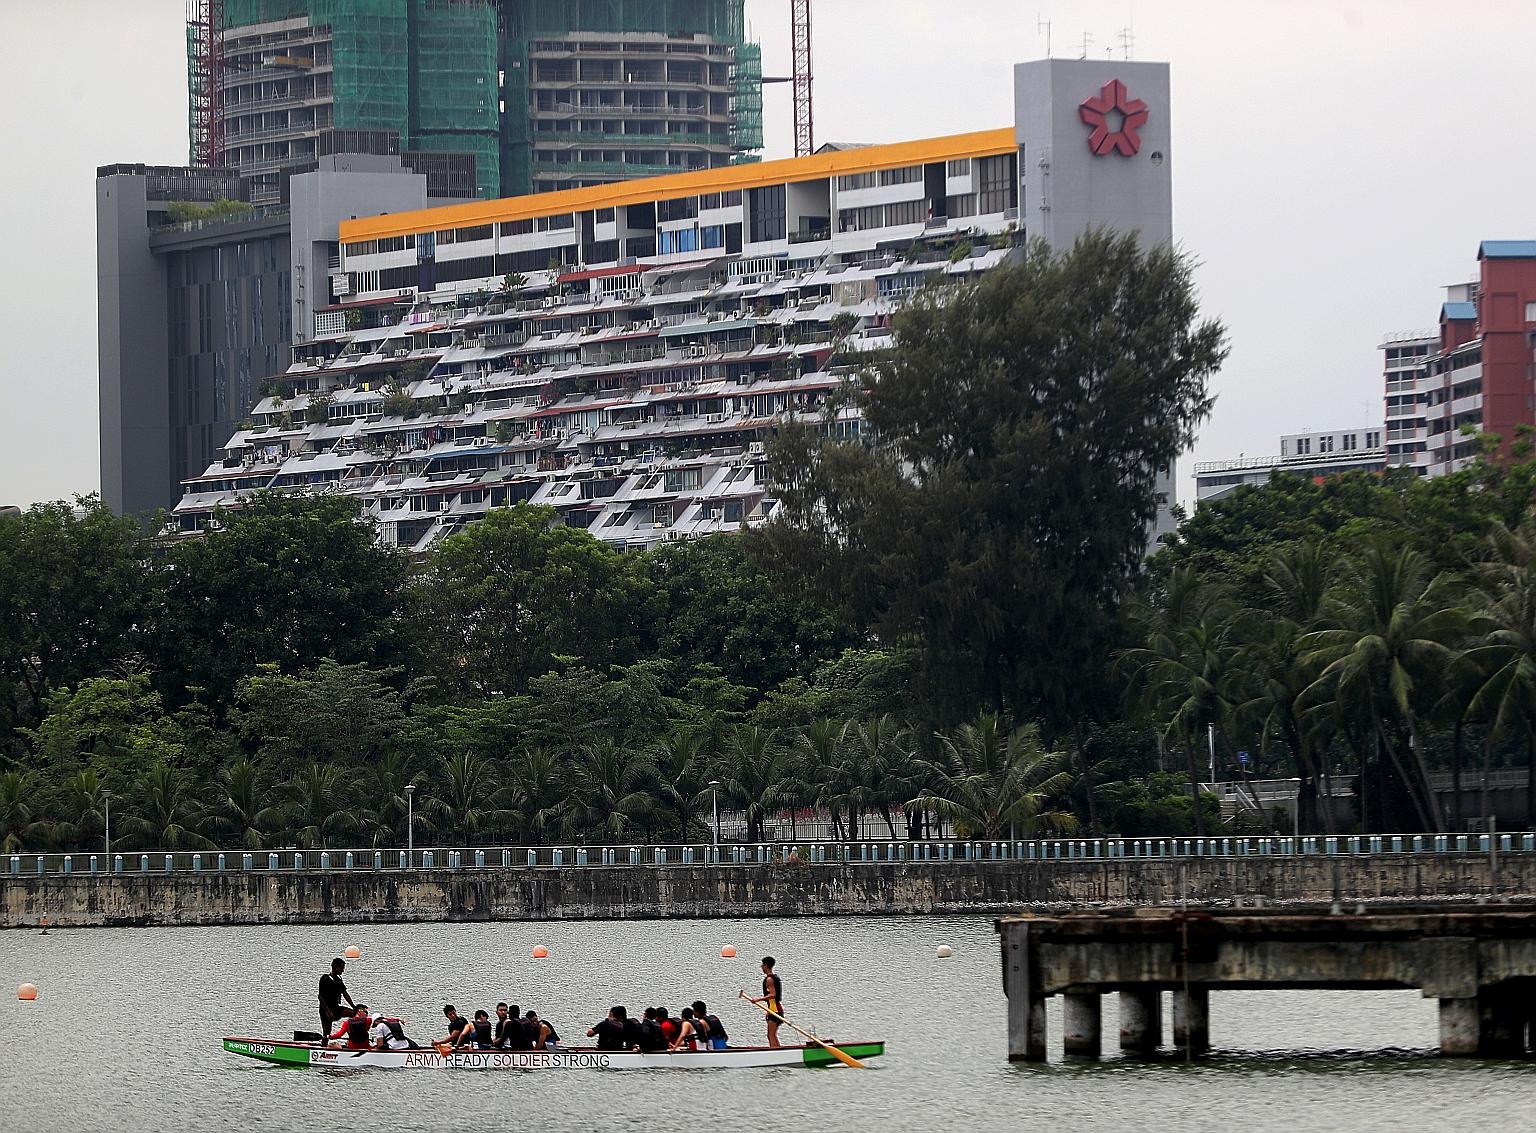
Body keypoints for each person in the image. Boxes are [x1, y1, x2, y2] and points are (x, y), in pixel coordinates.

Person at [745, 956, 785, 1048]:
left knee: (770, 1035)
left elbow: (773, 995)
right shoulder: (774, 978)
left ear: (766, 965)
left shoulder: (769, 979)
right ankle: (778, 1051)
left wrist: (757, 999)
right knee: (772, 1035)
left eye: (762, 965)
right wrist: (767, 1010)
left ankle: (775, 1053)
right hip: (774, 1009)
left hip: (775, 1011)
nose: (761, 967)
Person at [318, 957, 355, 1039]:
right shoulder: (325, 979)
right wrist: (328, 1012)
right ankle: (324, 1047)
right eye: (341, 968)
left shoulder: (338, 980)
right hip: (325, 1010)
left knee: (354, 1014)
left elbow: (345, 994)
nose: (343, 971)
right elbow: (320, 997)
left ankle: (353, 1039)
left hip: (336, 1008)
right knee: (327, 1032)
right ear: (335, 967)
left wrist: (354, 1007)